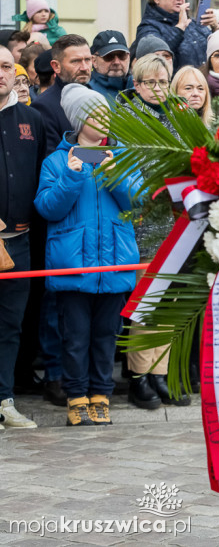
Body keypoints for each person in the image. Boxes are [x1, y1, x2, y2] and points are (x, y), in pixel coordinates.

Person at [35, 85, 143, 426]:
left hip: (115, 263)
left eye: (108, 115)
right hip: (73, 266)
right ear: (80, 120)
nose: (105, 121)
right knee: (75, 337)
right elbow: (47, 208)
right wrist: (71, 175)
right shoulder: (56, 161)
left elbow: (138, 202)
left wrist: (117, 176)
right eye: (97, 115)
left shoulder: (121, 157)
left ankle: (101, 395)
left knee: (106, 337)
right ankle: (76, 396)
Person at [118, 53, 192, 410]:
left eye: (163, 82)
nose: (158, 88)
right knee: (146, 303)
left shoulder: (179, 117)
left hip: (177, 222)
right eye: (150, 82)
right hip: (144, 222)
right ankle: (138, 376)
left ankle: (161, 373)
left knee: (170, 303)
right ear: (137, 85)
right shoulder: (126, 119)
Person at [0, 45, 47, 431]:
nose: (0, 73)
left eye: (4, 66)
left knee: (10, 326)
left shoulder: (32, 119)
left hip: (20, 242)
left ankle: (4, 401)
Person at [134, 0, 217, 69]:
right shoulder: (147, 27)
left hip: (203, 83)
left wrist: (216, 28)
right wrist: (180, 28)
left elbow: (218, 51)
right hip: (173, 83)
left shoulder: (192, 23)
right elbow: (154, 59)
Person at [34, 34, 93, 154]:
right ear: (56, 66)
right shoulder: (43, 106)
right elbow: (53, 159)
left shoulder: (96, 97)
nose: (84, 67)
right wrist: (100, 158)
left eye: (87, 60)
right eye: (75, 61)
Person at [89, 30, 133, 104]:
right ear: (94, 61)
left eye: (122, 56)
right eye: (109, 56)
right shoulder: (87, 92)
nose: (116, 62)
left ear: (128, 57)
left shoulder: (142, 88)